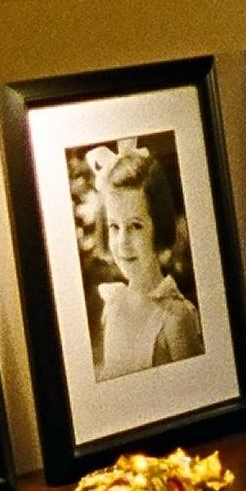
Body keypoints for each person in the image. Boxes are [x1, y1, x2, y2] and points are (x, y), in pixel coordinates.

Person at [94, 147, 203, 378]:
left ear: (158, 228)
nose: (122, 242)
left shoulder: (175, 318)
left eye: (135, 226)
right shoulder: (113, 304)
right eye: (114, 227)